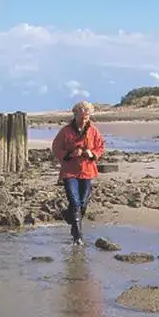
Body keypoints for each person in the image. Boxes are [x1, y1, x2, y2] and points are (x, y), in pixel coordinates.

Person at [52, 101, 105, 245]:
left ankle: (67, 215)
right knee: (75, 203)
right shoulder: (65, 131)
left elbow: (100, 147)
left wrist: (92, 153)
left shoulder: (93, 130)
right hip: (70, 171)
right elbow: (56, 148)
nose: (83, 120)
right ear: (75, 115)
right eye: (81, 117)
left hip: (87, 171)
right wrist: (70, 154)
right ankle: (78, 237)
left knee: (82, 204)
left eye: (86, 117)